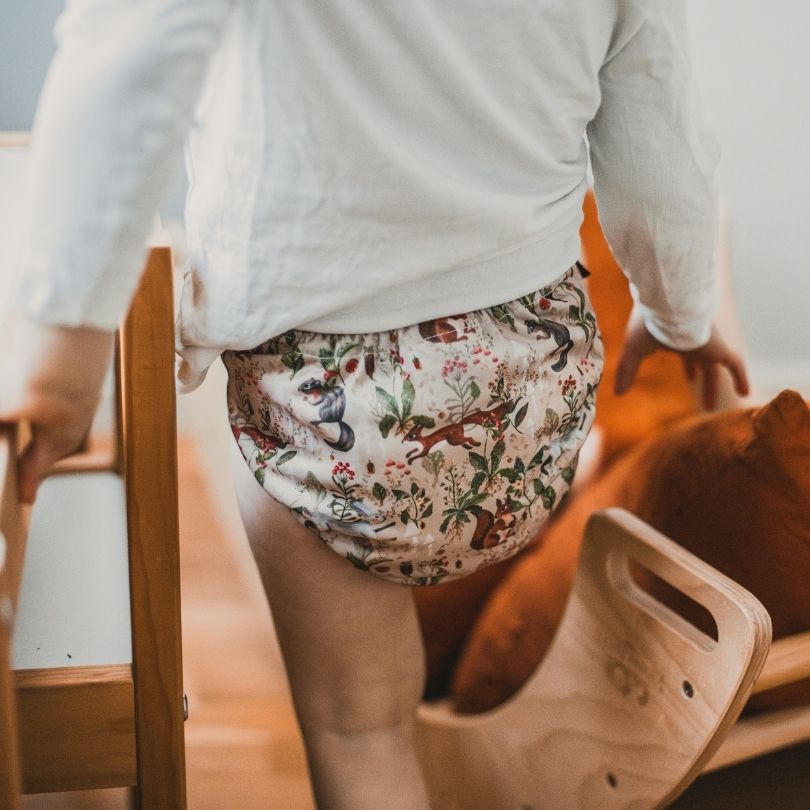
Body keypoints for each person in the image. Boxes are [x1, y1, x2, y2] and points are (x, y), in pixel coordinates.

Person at [1, 1, 749, 806]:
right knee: (388, 671)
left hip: (328, 395)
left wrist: (64, 361)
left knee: (359, 730)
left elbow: (124, 68)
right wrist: (679, 312)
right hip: (534, 388)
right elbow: (655, 114)